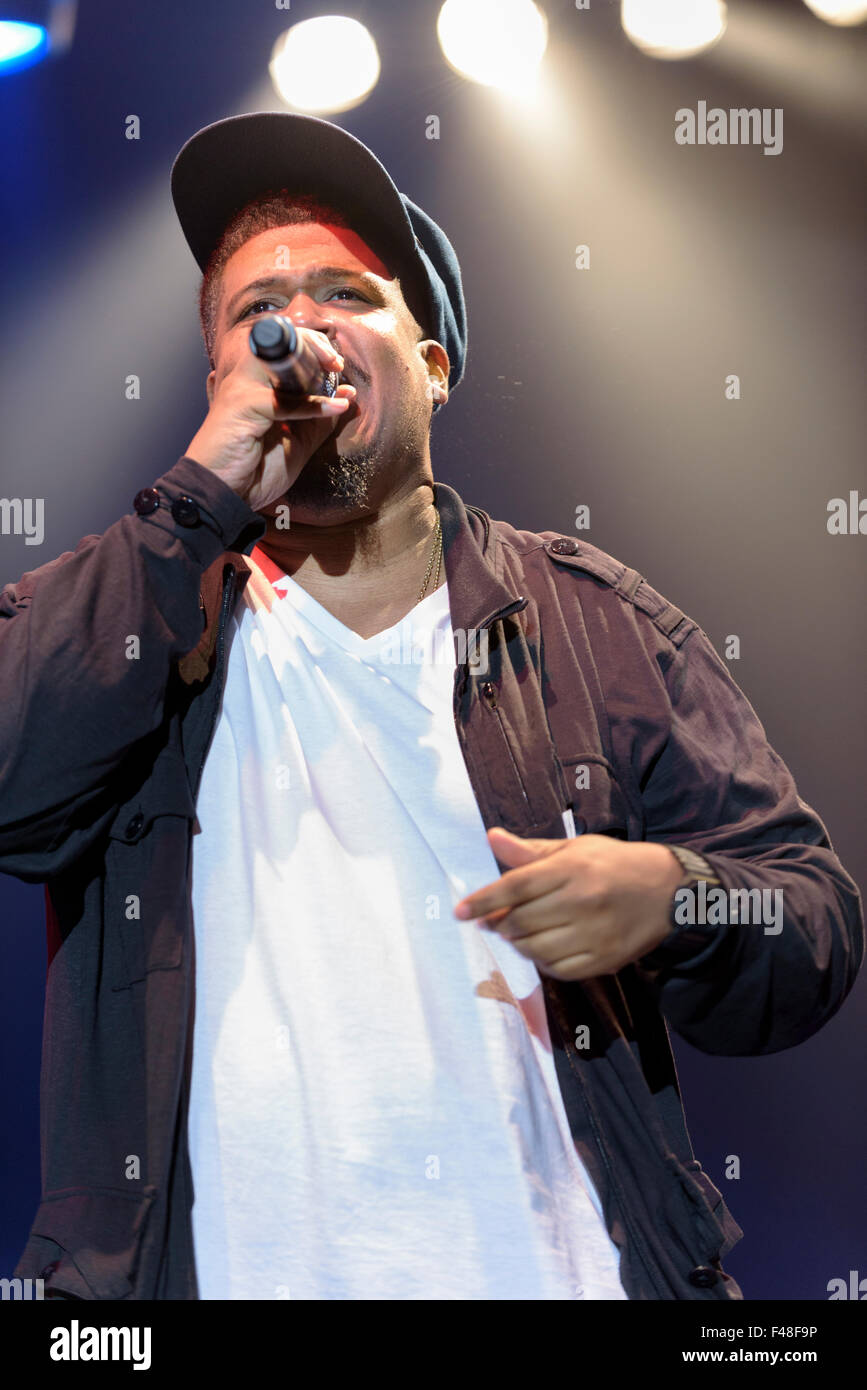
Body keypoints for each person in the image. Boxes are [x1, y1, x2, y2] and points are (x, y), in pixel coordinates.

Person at [3, 112, 862, 1301]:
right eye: (264, 311)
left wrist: (675, 895)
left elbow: (812, 916)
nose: (298, 329)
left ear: (436, 362)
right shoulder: (138, 614)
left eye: (346, 294)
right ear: (218, 386)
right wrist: (196, 497)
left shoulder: (595, 624)